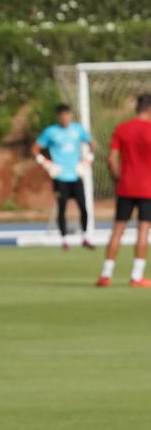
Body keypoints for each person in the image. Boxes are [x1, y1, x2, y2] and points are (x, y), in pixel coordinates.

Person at [97, 93, 151, 288]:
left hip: (125, 187)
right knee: (143, 231)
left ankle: (105, 275)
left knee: (118, 230)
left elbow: (111, 159)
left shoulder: (122, 128)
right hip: (147, 188)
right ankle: (136, 276)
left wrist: (117, 178)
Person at [32, 103, 94, 250]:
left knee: (83, 207)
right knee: (62, 208)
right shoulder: (50, 132)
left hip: (76, 175)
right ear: (58, 117)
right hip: (60, 177)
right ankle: (64, 240)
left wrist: (87, 161)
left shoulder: (78, 129)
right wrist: (46, 163)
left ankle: (85, 237)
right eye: (63, 116)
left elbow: (92, 145)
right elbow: (34, 149)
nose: (66, 118)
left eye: (68, 115)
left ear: (70, 115)